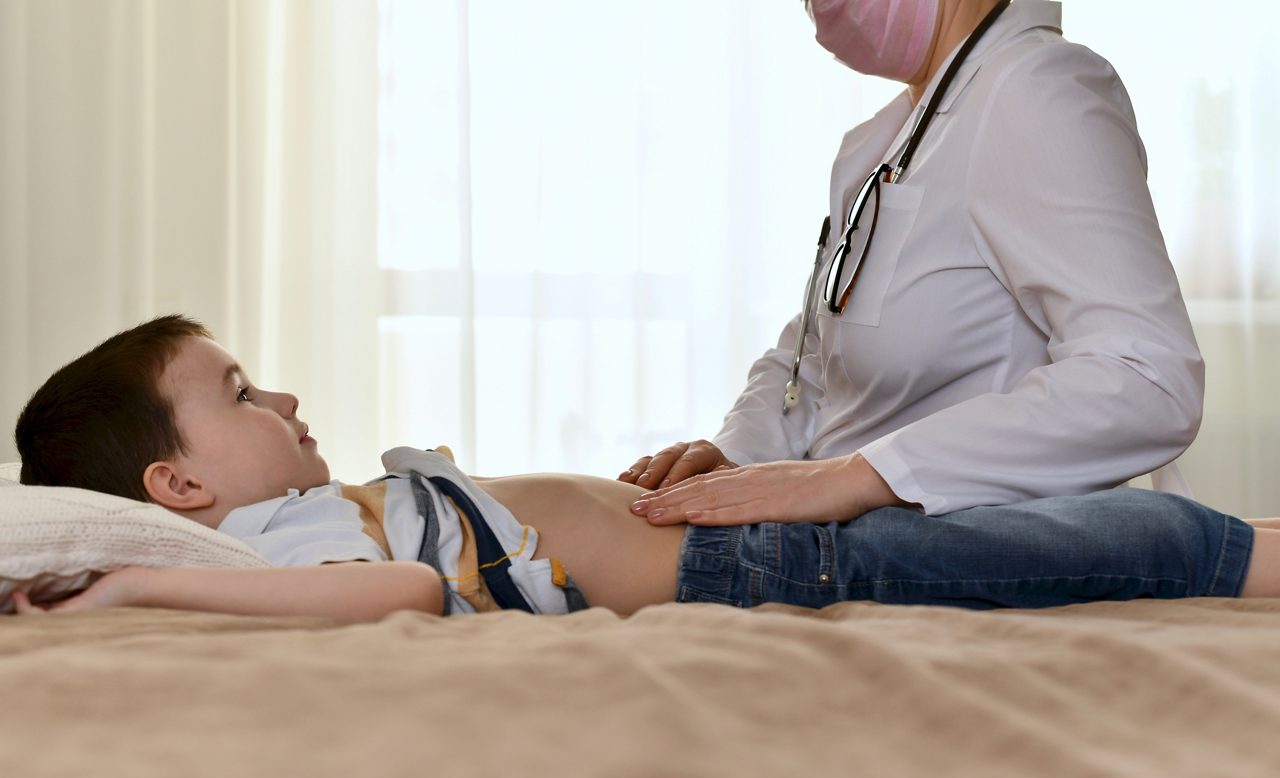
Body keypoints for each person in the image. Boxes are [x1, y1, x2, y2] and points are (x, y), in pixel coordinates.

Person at [8, 316, 1280, 622]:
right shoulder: (268, 550)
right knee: (1077, 538)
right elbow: (391, 596)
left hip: (740, 534)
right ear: (175, 487)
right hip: (755, 564)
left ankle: (1248, 538)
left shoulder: (289, 515)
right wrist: (135, 591)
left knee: (1048, 522)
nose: (279, 395)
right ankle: (1251, 552)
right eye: (236, 394)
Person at [621, 0, 1204, 531]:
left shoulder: (1034, 89)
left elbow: (1146, 378)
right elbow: (810, 357)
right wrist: (737, 458)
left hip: (940, 547)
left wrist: (859, 477)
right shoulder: (883, 141)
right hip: (830, 540)